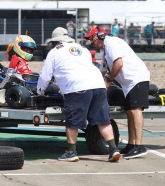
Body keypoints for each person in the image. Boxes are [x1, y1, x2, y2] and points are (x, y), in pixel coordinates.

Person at [37, 27, 121, 162]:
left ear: (54, 42)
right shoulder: (83, 49)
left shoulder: (54, 52)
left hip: (77, 87)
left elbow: (45, 76)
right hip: (98, 84)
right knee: (103, 120)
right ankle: (113, 149)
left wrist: (40, 91)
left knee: (73, 122)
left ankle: (71, 152)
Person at [84, 26, 150, 159]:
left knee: (136, 110)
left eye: (92, 38)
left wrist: (108, 81)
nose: (91, 41)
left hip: (136, 78)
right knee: (130, 112)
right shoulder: (105, 50)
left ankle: (139, 145)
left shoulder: (111, 42)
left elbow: (118, 64)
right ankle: (132, 144)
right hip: (128, 83)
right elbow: (105, 70)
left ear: (101, 35)